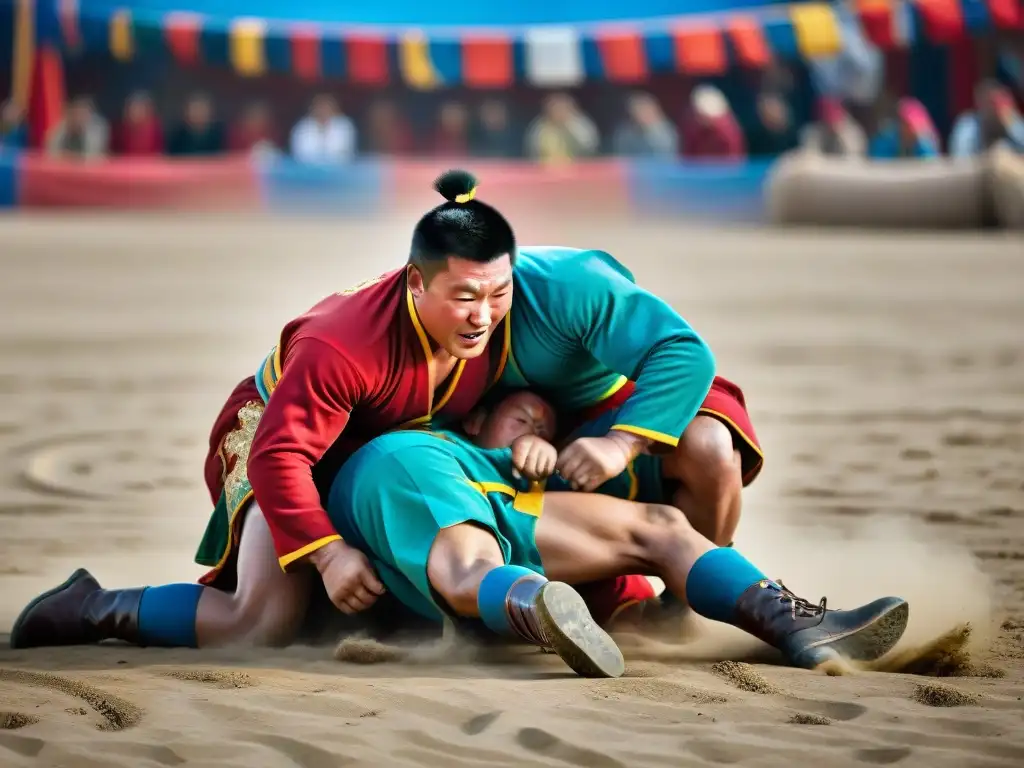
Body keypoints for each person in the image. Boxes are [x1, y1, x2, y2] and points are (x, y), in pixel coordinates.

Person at [9, 170, 517, 650]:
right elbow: (278, 457)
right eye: (466, 297)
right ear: (415, 283)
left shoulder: (510, 314)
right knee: (260, 622)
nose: (483, 315)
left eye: (498, 293)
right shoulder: (339, 345)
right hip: (273, 438)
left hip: (374, 461)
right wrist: (330, 553)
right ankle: (95, 607)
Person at [326, 389, 910, 678]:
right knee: (467, 566)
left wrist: (541, 451)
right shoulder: (420, 448)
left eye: (547, 425)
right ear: (475, 419)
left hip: (507, 507)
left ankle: (799, 626)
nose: (538, 426)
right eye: (522, 415)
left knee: (663, 527)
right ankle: (537, 609)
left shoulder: (526, 480)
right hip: (405, 469)